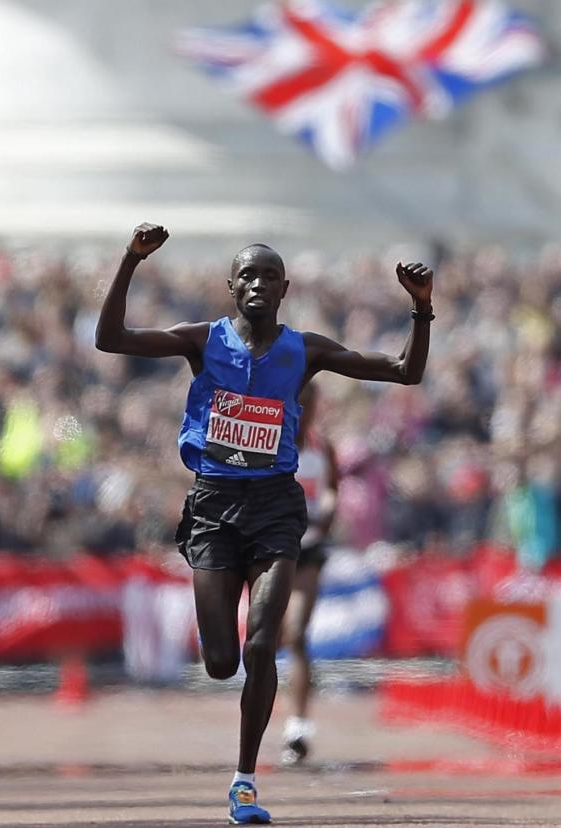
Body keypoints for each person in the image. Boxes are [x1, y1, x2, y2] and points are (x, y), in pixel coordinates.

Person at [96, 223, 433, 825]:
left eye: (268, 276)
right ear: (231, 287)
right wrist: (130, 259)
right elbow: (110, 338)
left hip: (277, 507)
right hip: (213, 509)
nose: (256, 283)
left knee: (263, 645)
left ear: (284, 288)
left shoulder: (307, 350)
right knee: (222, 660)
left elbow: (405, 372)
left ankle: (245, 782)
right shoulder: (202, 340)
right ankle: (235, 702)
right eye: (246, 275)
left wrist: (421, 308)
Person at [278, 383, 340, 766]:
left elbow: (332, 491)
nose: (305, 411)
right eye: (299, 403)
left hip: (308, 551)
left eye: (310, 404)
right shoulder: (271, 445)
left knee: (297, 634)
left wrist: (327, 510)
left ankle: (298, 725)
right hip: (270, 551)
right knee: (268, 636)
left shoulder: (322, 448)